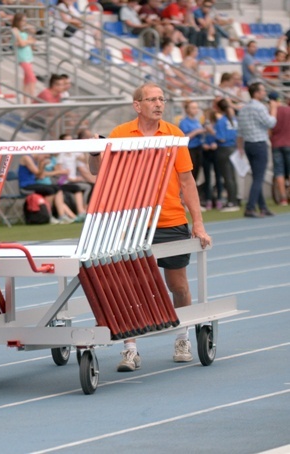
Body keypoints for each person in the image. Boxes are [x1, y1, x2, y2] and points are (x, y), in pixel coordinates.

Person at [89, 82, 211, 372]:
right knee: (129, 287)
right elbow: (97, 171)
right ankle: (130, 349)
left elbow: (186, 181)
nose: (158, 104)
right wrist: (95, 151)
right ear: (137, 105)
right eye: (152, 99)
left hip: (170, 219)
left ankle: (182, 338)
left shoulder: (174, 134)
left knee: (177, 285)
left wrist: (199, 223)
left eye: (162, 99)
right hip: (133, 223)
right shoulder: (120, 134)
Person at [238, 82, 278, 218]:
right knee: (259, 177)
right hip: (259, 143)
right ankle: (250, 207)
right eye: (262, 91)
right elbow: (271, 123)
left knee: (257, 177)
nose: (264, 93)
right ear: (256, 93)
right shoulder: (260, 107)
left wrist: (239, 147)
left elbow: (240, 130)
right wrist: (273, 109)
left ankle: (263, 207)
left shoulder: (244, 108)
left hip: (248, 144)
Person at [18, 153, 78, 224]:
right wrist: (41, 164)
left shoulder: (36, 160)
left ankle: (62, 216)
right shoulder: (26, 158)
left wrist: (42, 164)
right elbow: (38, 173)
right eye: (45, 156)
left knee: (57, 188)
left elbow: (40, 176)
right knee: (50, 190)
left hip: (33, 184)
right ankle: (48, 215)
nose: (46, 158)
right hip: (26, 186)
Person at [213, 98, 240, 211]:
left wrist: (212, 132)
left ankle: (231, 202)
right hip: (233, 148)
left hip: (224, 150)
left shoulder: (221, 121)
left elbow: (221, 138)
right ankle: (234, 199)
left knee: (228, 176)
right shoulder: (233, 119)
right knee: (232, 176)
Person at [11, 12, 37, 103]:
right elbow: (21, 44)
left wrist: (25, 42)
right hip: (23, 57)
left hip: (28, 56)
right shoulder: (15, 30)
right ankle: (33, 99)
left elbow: (33, 41)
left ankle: (25, 101)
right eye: (22, 20)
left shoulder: (23, 31)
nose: (24, 22)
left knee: (27, 80)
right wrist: (26, 42)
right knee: (32, 78)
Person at [178, 100, 205, 184]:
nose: (195, 110)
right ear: (187, 110)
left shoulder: (197, 121)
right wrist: (196, 132)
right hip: (190, 148)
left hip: (198, 147)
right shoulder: (184, 122)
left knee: (197, 169)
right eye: (193, 108)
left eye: (196, 108)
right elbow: (184, 137)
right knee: (191, 170)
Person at [270, 96, 290, 206]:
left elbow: (270, 129)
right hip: (288, 143)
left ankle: (283, 198)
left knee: (279, 171)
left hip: (276, 144)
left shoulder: (273, 112)